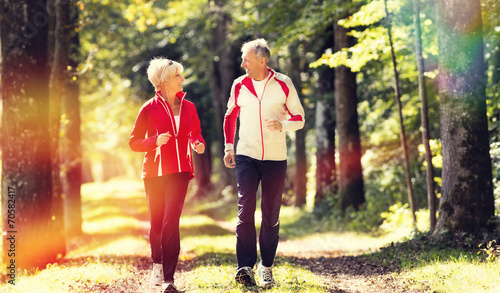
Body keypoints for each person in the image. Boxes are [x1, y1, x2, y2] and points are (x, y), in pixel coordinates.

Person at [223, 38, 305, 288]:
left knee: (270, 215)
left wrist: (283, 125)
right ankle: (244, 267)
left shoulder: (283, 83)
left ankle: (266, 267)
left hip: (275, 158)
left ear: (262, 60)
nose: (242, 64)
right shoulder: (239, 85)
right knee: (245, 209)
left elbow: (299, 118)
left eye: (246, 59)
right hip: (246, 155)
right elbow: (230, 116)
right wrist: (229, 147)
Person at [129, 57, 205, 293]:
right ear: (162, 81)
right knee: (157, 223)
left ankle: (169, 279)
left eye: (181, 75)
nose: (182, 79)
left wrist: (198, 143)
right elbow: (133, 142)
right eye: (177, 76)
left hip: (181, 171)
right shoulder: (148, 108)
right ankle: (157, 263)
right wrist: (154, 141)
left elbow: (196, 134)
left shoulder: (189, 107)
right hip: (154, 172)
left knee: (171, 221)